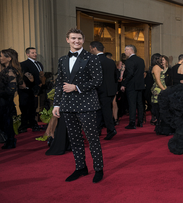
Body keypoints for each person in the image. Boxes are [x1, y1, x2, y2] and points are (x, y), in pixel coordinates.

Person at [52, 28, 104, 183]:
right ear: (67, 39)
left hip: (86, 104)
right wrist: (56, 104)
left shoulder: (92, 58)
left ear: (83, 40)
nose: (76, 41)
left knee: (92, 138)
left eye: (79, 38)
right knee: (75, 139)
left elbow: (98, 80)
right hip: (67, 105)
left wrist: (76, 87)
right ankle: (80, 168)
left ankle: (99, 168)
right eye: (73, 38)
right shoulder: (62, 60)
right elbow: (59, 82)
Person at [89, 41, 117, 140]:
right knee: (105, 110)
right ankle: (99, 130)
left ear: (94, 48)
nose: (90, 50)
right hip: (110, 90)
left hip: (99, 90)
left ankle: (110, 129)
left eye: (90, 48)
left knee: (100, 111)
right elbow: (115, 76)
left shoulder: (93, 60)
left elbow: (92, 77)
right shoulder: (110, 61)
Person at [0, 48, 22, 149]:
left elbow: (11, 89)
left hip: (5, 101)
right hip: (4, 101)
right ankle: (9, 141)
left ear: (9, 58)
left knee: (6, 122)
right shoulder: (7, 70)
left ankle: (10, 141)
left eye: (1, 56)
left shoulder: (10, 71)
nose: (0, 58)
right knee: (5, 122)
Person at [19, 47, 44, 133]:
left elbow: (41, 76)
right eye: (33, 53)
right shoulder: (23, 64)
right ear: (28, 54)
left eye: (35, 52)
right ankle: (24, 125)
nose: (35, 54)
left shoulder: (39, 64)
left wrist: (40, 85)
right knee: (25, 108)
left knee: (34, 107)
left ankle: (33, 124)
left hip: (36, 90)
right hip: (26, 90)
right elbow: (24, 77)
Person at [121, 45, 146, 129]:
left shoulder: (129, 61)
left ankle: (132, 123)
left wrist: (124, 84)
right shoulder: (141, 60)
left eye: (126, 49)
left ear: (131, 50)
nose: (125, 51)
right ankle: (140, 121)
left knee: (132, 104)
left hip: (132, 85)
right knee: (140, 103)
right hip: (140, 85)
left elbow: (130, 74)